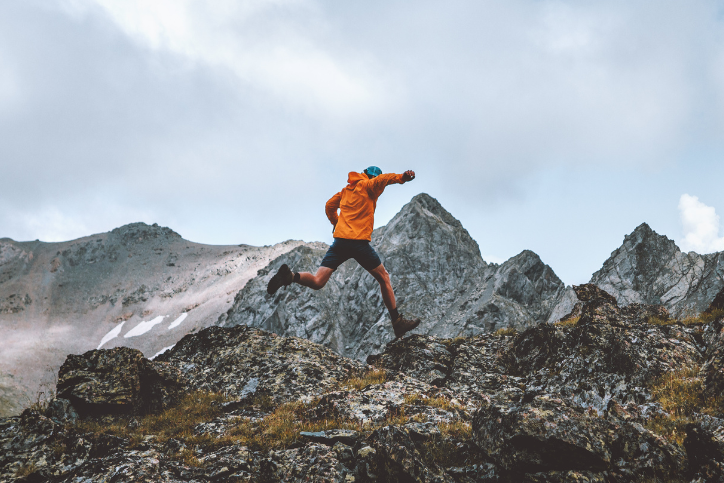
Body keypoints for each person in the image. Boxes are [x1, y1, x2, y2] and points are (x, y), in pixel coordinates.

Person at [266, 166, 421, 339]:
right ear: (371, 177)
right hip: (358, 243)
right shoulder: (370, 185)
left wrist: (337, 223)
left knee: (318, 281)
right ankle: (397, 322)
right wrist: (402, 177)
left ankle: (291, 276)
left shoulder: (346, 190)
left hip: (340, 242)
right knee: (384, 278)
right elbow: (383, 180)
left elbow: (329, 206)